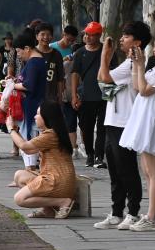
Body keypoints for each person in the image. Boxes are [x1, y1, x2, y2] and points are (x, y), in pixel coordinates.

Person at [120, 29, 155, 231]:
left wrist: (141, 65)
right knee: (147, 170)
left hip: (152, 117)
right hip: (144, 115)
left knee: (153, 172)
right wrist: (138, 64)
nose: (154, 49)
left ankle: (153, 218)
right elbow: (137, 86)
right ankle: (150, 215)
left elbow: (144, 90)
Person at [93, 21, 149, 229]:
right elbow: (103, 81)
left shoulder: (134, 62)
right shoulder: (128, 63)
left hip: (124, 122)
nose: (121, 39)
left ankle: (133, 212)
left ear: (137, 42)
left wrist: (104, 54)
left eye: (126, 36)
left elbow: (104, 77)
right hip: (113, 121)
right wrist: (106, 58)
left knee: (126, 169)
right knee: (115, 170)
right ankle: (117, 212)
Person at [4, 102, 77, 218]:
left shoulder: (51, 135)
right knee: (19, 176)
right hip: (56, 179)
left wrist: (10, 129)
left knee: (19, 199)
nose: (35, 117)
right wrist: (16, 131)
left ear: (47, 117)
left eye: (38, 114)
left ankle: (62, 202)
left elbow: (24, 147)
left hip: (56, 181)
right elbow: (29, 150)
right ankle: (48, 210)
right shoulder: (52, 133)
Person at [70, 22, 109, 167]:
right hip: (86, 96)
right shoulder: (80, 52)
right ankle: (90, 154)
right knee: (86, 127)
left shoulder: (106, 50)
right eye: (86, 34)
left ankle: (99, 156)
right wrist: (74, 95)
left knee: (102, 127)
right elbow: (75, 74)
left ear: (99, 36)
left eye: (91, 35)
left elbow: (113, 72)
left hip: (104, 96)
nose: (88, 37)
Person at [12, 31, 47, 172]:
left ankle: (30, 172)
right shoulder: (39, 60)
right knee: (31, 137)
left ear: (27, 48)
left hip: (32, 105)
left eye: (19, 51)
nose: (19, 55)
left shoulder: (33, 62)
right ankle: (29, 171)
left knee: (29, 138)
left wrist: (12, 86)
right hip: (35, 103)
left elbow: (28, 85)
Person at [52, 25, 81, 154]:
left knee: (68, 119)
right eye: (68, 39)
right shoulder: (52, 47)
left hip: (68, 89)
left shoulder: (73, 50)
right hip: (53, 87)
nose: (70, 42)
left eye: (72, 41)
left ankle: (69, 145)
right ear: (63, 34)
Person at [35, 22, 65, 104]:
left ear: (52, 37)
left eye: (48, 34)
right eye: (42, 34)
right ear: (37, 36)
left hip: (51, 98)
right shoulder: (31, 53)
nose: (46, 37)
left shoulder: (57, 54)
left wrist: (60, 98)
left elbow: (60, 79)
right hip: (33, 97)